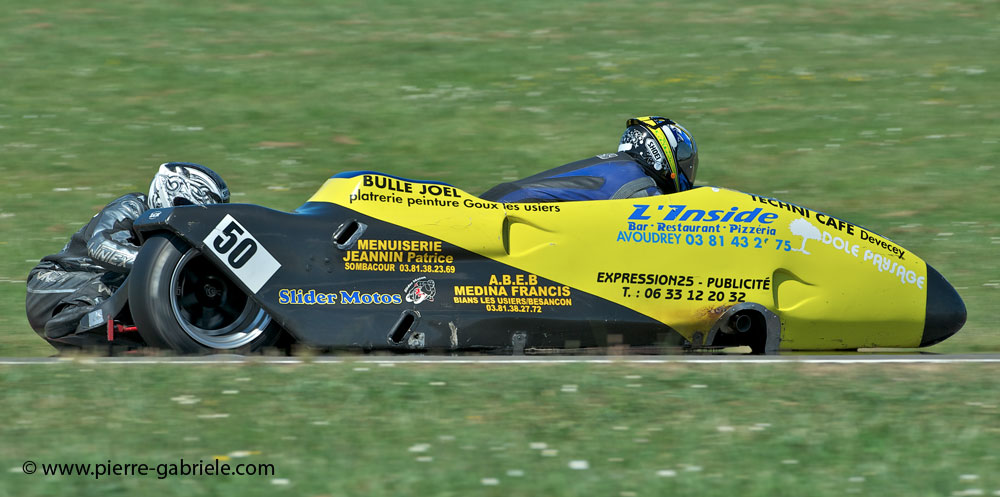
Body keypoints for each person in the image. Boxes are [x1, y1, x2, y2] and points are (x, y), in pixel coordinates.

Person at [25, 162, 230, 350]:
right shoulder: (133, 206)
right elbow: (100, 247)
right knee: (146, 273)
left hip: (88, 317)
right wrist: (156, 265)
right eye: (190, 209)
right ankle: (78, 311)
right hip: (52, 286)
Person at [480, 116, 698, 202]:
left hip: (502, 198)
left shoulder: (619, 166)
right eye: (683, 155)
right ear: (659, 149)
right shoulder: (642, 188)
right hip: (512, 209)